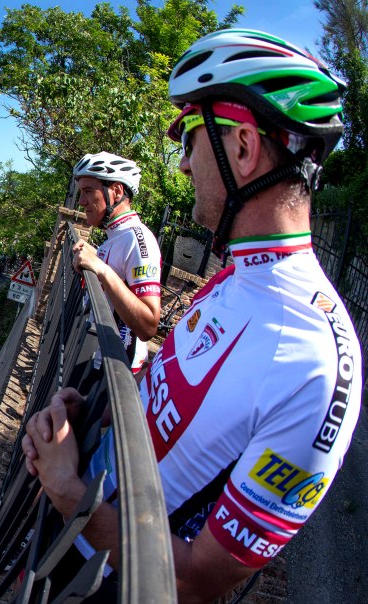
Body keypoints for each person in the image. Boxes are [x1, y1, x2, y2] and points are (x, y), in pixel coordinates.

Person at [21, 28, 362, 602]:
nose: (180, 166)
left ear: (243, 148)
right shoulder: (237, 278)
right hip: (72, 534)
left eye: (189, 140)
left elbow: (199, 580)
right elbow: (167, 395)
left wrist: (66, 488)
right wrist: (94, 412)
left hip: (107, 579)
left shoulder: (315, 362)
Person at [71, 151, 161, 378]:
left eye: (88, 191)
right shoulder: (116, 236)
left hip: (113, 373)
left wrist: (101, 269)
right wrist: (96, 259)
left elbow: (149, 324)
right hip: (96, 358)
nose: (82, 201)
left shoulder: (138, 240)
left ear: (117, 191)